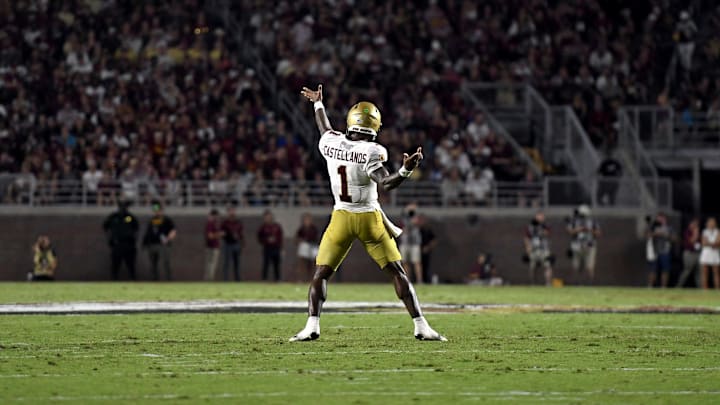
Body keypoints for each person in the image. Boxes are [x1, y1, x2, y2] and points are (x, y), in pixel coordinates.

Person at [290, 84, 446, 342]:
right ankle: (420, 325)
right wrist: (405, 170)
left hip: (340, 217)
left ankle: (312, 325)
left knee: (321, 273)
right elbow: (386, 183)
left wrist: (318, 104)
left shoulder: (330, 142)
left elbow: (324, 128)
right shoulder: (372, 151)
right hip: (368, 218)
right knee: (397, 272)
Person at [102, 200, 139, 280]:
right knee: (115, 266)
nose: (123, 209)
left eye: (124, 207)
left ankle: (133, 281)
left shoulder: (130, 217)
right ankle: (113, 281)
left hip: (128, 244)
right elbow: (105, 227)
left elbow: (136, 229)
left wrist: (134, 240)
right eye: (121, 207)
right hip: (117, 244)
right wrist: (110, 238)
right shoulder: (113, 217)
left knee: (131, 266)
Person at [566, 205, 601, 285]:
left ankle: (590, 283)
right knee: (576, 266)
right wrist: (578, 230)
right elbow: (569, 231)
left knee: (589, 267)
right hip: (577, 246)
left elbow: (598, 233)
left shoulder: (593, 221)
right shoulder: (574, 221)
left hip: (589, 246)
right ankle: (576, 283)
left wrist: (589, 230)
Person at [142, 201, 177, 280]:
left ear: (161, 210)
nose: (157, 212)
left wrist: (168, 239)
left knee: (166, 262)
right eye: (155, 210)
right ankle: (154, 280)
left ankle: (169, 279)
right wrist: (145, 243)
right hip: (153, 245)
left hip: (163, 245)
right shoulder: (152, 220)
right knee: (153, 263)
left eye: (158, 210)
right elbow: (148, 232)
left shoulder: (166, 220)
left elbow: (173, 230)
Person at [524, 211, 553, 286]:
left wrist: (541, 227)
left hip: (543, 249)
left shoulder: (545, 225)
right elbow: (526, 238)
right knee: (533, 267)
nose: (540, 217)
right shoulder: (530, 226)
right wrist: (528, 247)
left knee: (547, 265)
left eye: (542, 216)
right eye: (539, 216)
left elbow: (548, 233)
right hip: (534, 249)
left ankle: (548, 283)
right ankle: (533, 283)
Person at [399, 203, 423, 284]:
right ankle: (407, 280)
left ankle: (419, 280)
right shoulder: (403, 215)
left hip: (415, 242)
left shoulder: (417, 215)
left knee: (417, 262)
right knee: (405, 262)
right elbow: (403, 225)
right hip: (405, 242)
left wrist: (415, 214)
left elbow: (417, 222)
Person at [647, 213, 673, 288]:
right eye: (659, 218)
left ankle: (663, 287)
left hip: (665, 251)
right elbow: (647, 235)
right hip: (654, 251)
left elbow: (674, 238)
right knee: (652, 269)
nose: (660, 220)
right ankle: (650, 286)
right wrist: (654, 234)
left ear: (665, 219)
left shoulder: (669, 228)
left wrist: (666, 235)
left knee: (665, 269)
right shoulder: (653, 227)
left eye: (662, 218)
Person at [258, 210, 283, 281]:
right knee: (266, 264)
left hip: (276, 248)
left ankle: (277, 280)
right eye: (266, 217)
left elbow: (280, 238)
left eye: (269, 217)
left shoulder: (277, 226)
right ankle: (264, 279)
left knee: (276, 265)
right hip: (267, 248)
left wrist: (281, 248)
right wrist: (266, 240)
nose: (268, 218)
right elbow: (259, 238)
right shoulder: (262, 227)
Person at [676, 219, 702, 288]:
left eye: (697, 225)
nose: (695, 226)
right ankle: (678, 286)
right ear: (690, 224)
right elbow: (692, 241)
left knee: (698, 272)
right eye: (694, 224)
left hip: (698, 253)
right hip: (689, 253)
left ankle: (701, 288)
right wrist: (696, 233)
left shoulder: (700, 232)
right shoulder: (687, 232)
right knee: (687, 270)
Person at [221, 205, 243, 281]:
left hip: (236, 244)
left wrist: (240, 240)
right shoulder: (224, 223)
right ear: (227, 212)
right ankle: (225, 279)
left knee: (237, 263)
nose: (232, 212)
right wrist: (227, 235)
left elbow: (241, 233)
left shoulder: (238, 222)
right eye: (230, 211)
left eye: (233, 210)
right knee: (226, 263)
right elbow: (222, 233)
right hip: (228, 244)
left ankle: (238, 279)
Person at [295, 213, 319, 282]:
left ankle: (313, 278)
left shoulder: (314, 229)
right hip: (304, 246)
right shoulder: (301, 229)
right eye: (306, 219)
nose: (307, 221)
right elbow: (297, 239)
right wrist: (300, 240)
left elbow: (317, 238)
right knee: (303, 262)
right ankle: (301, 278)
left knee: (314, 263)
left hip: (313, 246)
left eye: (309, 219)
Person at [699, 217, 719, 290]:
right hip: (706, 253)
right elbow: (703, 243)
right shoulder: (704, 231)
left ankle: (717, 289)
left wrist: (709, 243)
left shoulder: (718, 231)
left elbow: (718, 243)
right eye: (710, 222)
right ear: (707, 223)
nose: (711, 224)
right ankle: (704, 289)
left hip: (715, 254)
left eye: (713, 222)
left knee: (716, 272)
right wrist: (713, 244)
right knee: (704, 272)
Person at [204, 209, 223, 281]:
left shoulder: (214, 224)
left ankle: (208, 279)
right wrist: (219, 234)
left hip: (213, 246)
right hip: (212, 246)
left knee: (210, 264)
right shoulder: (210, 224)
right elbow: (210, 236)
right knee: (211, 264)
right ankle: (209, 279)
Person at [418, 214, 437, 283]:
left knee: (425, 267)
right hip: (418, 250)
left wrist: (428, 247)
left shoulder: (427, 229)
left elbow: (434, 240)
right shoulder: (416, 230)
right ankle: (418, 280)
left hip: (425, 251)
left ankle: (425, 280)